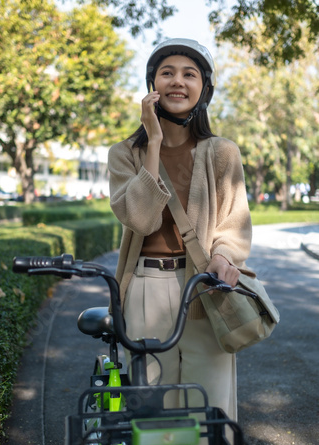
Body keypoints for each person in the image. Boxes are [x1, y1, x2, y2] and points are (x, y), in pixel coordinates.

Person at [108, 38, 253, 424]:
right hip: (144, 288)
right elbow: (140, 220)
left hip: (205, 288)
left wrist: (223, 256)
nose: (177, 81)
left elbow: (233, 224)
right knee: (151, 409)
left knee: (210, 407)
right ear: (152, 84)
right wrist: (153, 141)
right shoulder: (124, 154)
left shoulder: (222, 152)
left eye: (189, 74)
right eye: (167, 72)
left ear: (203, 89)